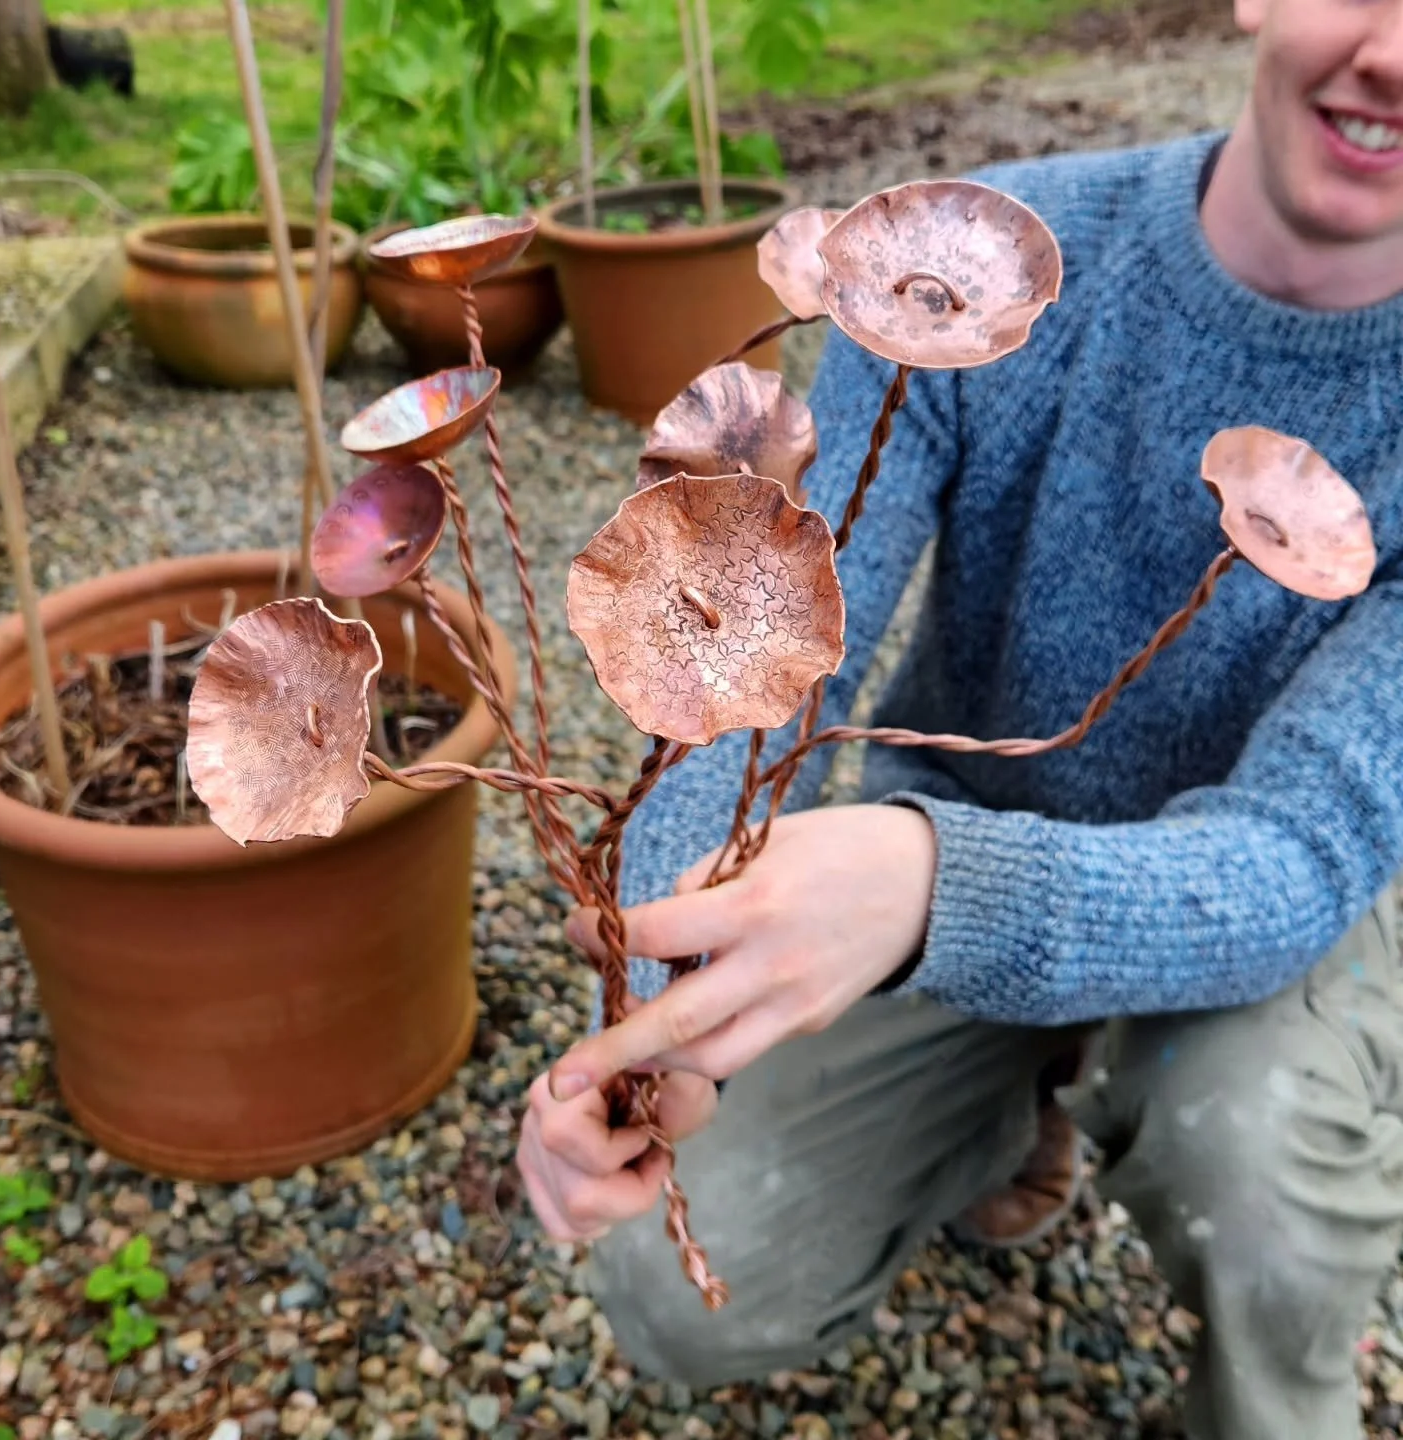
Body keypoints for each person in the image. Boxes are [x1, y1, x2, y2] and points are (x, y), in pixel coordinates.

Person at [516, 1, 1403, 1436]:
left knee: (1259, 1169)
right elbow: (772, 647)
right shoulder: (971, 270)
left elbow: (1302, 854)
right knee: (685, 1283)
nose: (1393, 56)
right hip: (948, 848)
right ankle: (1005, 1104)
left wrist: (938, 888)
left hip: (1254, 904)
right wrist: (652, 993)